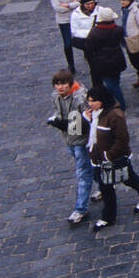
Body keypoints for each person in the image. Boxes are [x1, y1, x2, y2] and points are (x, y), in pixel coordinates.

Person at [85, 84, 139, 232]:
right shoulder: (95, 114)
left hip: (111, 159)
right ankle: (108, 216)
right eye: (89, 101)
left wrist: (108, 155)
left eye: (93, 101)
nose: (90, 104)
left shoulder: (115, 116)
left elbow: (122, 140)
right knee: (105, 187)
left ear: (102, 100)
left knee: (128, 179)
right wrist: (88, 120)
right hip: (97, 160)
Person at [47, 69, 94, 225]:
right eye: (57, 84)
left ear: (70, 83)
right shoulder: (56, 97)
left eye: (63, 84)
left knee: (83, 173)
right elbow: (60, 114)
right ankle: (105, 185)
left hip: (81, 141)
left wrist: (63, 124)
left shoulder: (80, 99)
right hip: (69, 140)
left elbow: (88, 121)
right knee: (89, 168)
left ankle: (80, 208)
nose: (59, 88)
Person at [84, 6, 127, 109]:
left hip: (102, 63)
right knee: (115, 81)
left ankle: (120, 105)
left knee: (112, 85)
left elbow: (88, 49)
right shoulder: (118, 30)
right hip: (117, 60)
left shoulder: (95, 32)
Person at [50, 0, 80, 74]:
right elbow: (57, 8)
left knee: (84, 36)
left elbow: (80, 1)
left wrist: (67, 5)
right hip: (64, 20)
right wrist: (73, 4)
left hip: (76, 17)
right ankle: (71, 64)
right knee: (67, 42)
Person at [70, 0, 98, 76]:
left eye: (92, 3)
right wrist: (90, 33)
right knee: (93, 65)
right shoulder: (76, 14)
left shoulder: (100, 11)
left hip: (99, 41)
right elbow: (75, 31)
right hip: (87, 42)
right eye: (87, 4)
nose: (90, 6)